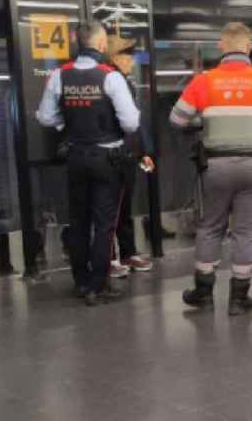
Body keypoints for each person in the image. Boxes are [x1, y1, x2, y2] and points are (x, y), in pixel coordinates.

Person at [169, 22, 252, 315]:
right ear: (248, 48)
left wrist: (205, 121)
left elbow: (176, 120)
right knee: (247, 232)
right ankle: (239, 298)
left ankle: (203, 292)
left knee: (211, 227)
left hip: (216, 166)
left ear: (221, 46)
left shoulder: (204, 80)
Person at [36, 21, 140, 306]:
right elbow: (131, 122)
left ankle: (81, 282)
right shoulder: (111, 77)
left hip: (75, 156)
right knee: (105, 224)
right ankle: (99, 284)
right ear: (101, 43)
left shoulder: (60, 74)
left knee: (79, 221)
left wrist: (66, 126)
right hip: (107, 158)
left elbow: (45, 117)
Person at [105, 33, 156, 278]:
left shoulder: (125, 81)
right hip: (115, 153)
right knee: (113, 210)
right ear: (113, 57)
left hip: (128, 153)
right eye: (127, 55)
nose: (132, 60)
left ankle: (126, 253)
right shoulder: (110, 80)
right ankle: (111, 258)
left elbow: (136, 120)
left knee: (124, 208)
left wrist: (143, 151)